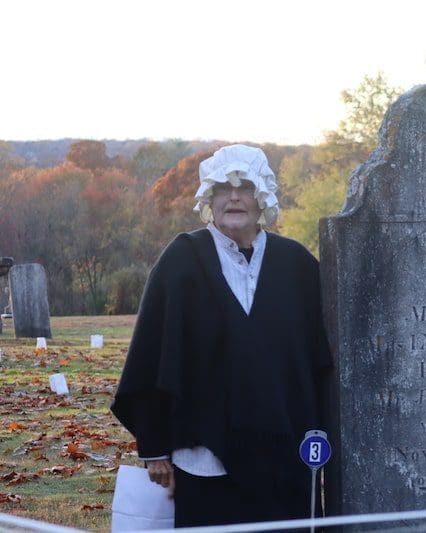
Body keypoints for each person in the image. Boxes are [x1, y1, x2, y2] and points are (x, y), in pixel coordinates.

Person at [111, 144, 332, 527]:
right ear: (207, 198)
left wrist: (323, 438)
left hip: (283, 456)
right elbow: (149, 354)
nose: (233, 197)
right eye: (222, 188)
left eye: (244, 186)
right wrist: (155, 446)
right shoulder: (181, 261)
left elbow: (320, 361)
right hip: (204, 457)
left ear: (261, 194)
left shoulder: (297, 265)